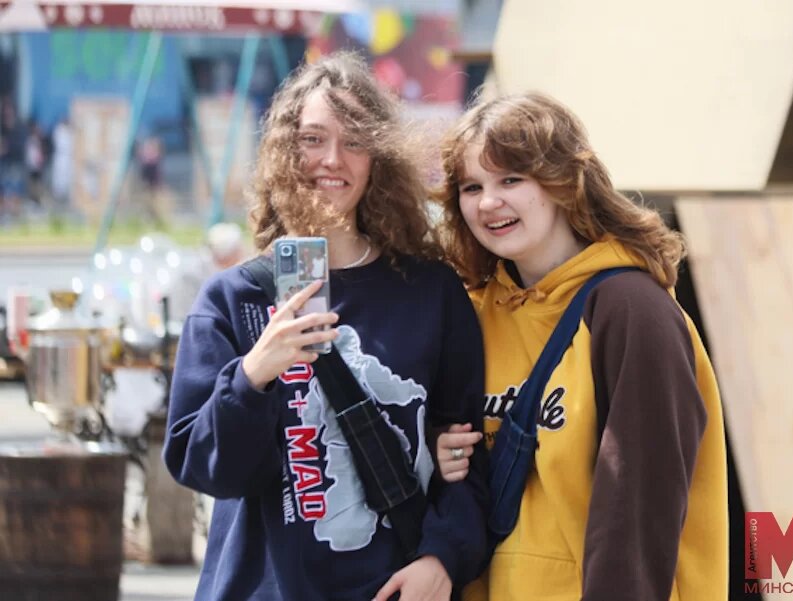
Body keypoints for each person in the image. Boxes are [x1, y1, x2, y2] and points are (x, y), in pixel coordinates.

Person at [163, 52, 488, 601]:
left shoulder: (431, 293)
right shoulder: (233, 300)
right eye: (313, 139)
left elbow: (472, 455)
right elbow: (206, 468)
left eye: (354, 141)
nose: (332, 160)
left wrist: (443, 557)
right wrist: (252, 376)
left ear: (378, 158)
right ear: (285, 152)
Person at [432, 93, 728, 601]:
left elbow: (640, 511)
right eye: (471, 187)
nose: (487, 203)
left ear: (564, 182)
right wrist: (436, 449)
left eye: (511, 180)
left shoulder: (632, 311)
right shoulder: (471, 313)